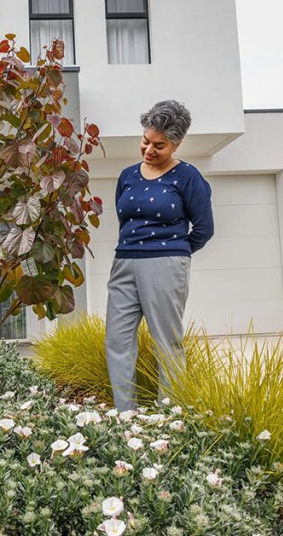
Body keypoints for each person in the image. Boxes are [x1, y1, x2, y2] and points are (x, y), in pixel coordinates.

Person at [105, 99, 213, 412]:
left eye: (160, 145)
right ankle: (126, 418)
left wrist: (174, 254)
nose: (149, 150)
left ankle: (170, 419)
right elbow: (125, 219)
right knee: (117, 341)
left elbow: (204, 229)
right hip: (124, 263)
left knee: (167, 344)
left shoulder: (187, 177)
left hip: (165, 265)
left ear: (177, 144)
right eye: (145, 141)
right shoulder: (127, 175)